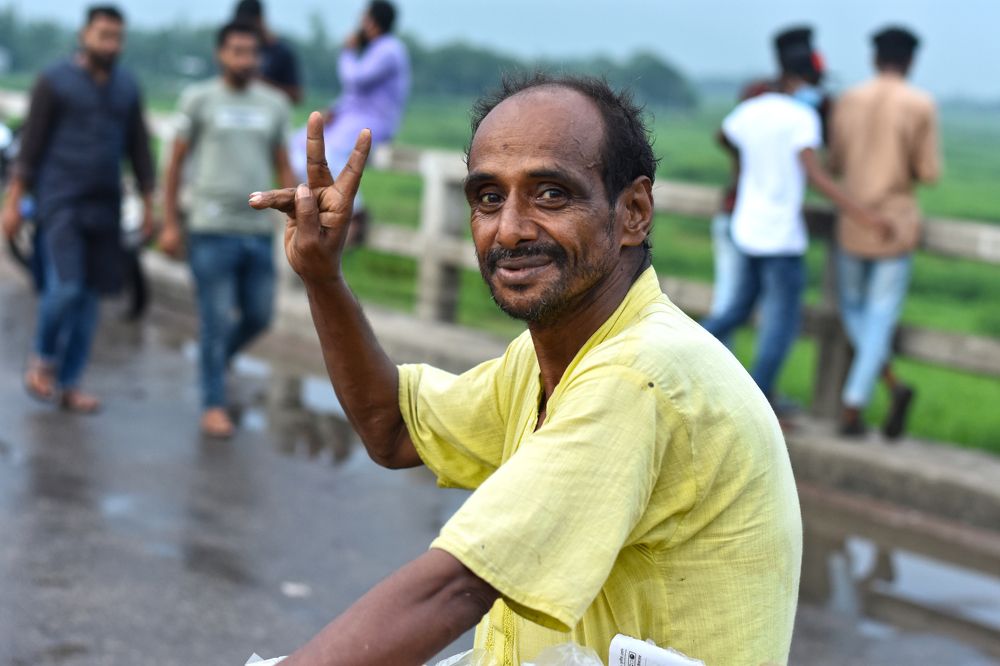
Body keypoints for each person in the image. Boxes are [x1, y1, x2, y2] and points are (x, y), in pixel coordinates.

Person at [250, 74, 802, 665]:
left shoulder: (640, 376)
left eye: (551, 195)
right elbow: (395, 429)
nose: (509, 229)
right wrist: (323, 276)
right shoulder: (547, 357)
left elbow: (456, 587)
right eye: (489, 198)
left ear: (634, 212)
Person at [701, 27, 890, 420]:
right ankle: (759, 399)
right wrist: (864, 214)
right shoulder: (802, 117)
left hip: (746, 229)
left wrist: (744, 163)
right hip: (781, 238)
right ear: (805, 78)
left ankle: (677, 350)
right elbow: (816, 175)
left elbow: (724, 135)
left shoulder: (752, 109)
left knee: (735, 310)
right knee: (781, 325)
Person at [0, 4, 155, 413]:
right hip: (61, 201)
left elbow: (139, 147)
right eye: (103, 35)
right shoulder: (54, 81)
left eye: (117, 37)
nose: (111, 44)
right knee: (66, 287)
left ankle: (70, 384)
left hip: (106, 204)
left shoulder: (126, 86)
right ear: (84, 36)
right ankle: (43, 358)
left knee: (90, 299)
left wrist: (150, 203)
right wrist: (13, 204)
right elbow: (30, 148)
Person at [159, 21, 295, 438]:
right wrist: (170, 222)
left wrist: (298, 216)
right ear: (221, 54)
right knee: (215, 320)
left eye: (251, 52)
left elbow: (283, 166)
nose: (244, 59)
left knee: (259, 315)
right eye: (236, 51)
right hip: (210, 229)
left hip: (257, 231)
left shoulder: (274, 104)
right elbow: (175, 163)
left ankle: (215, 361)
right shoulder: (199, 99)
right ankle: (213, 404)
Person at [829, 26, 940, 439]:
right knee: (880, 314)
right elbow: (929, 172)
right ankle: (854, 404)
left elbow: (835, 163)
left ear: (874, 58)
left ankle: (884, 388)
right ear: (910, 61)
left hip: (852, 220)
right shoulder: (920, 103)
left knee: (853, 309)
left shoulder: (848, 99)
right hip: (896, 223)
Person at [289, 0, 409, 246]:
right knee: (296, 144)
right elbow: (353, 95)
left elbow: (355, 79)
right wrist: (333, 110)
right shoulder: (376, 49)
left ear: (372, 23)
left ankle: (356, 213)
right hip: (350, 118)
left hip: (374, 121)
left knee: (329, 154)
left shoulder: (389, 49)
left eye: (364, 20)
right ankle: (321, 205)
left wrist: (348, 51)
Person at [233, 0, 302, 104]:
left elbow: (296, 96)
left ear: (259, 20)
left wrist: (259, 83)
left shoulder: (281, 52)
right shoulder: (233, 50)